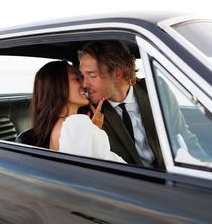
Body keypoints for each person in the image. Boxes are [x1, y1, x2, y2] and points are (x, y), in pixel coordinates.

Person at [78, 40, 208, 168]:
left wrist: (206, 170)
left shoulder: (157, 89)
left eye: (92, 75)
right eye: (82, 76)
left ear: (117, 73)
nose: (84, 84)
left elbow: (184, 136)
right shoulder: (88, 114)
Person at [28, 60, 125, 163]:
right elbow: (114, 166)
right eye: (76, 78)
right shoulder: (74, 125)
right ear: (58, 86)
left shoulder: (61, 126)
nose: (84, 85)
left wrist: (93, 131)